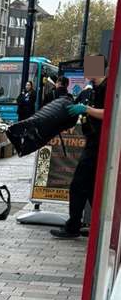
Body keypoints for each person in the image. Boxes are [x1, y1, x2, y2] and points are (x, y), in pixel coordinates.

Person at [51, 64, 107, 239]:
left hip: (99, 143)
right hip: (93, 140)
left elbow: (109, 113)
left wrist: (86, 109)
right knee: (90, 188)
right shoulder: (95, 88)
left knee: (78, 185)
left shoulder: (107, 87)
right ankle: (100, 226)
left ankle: (73, 226)